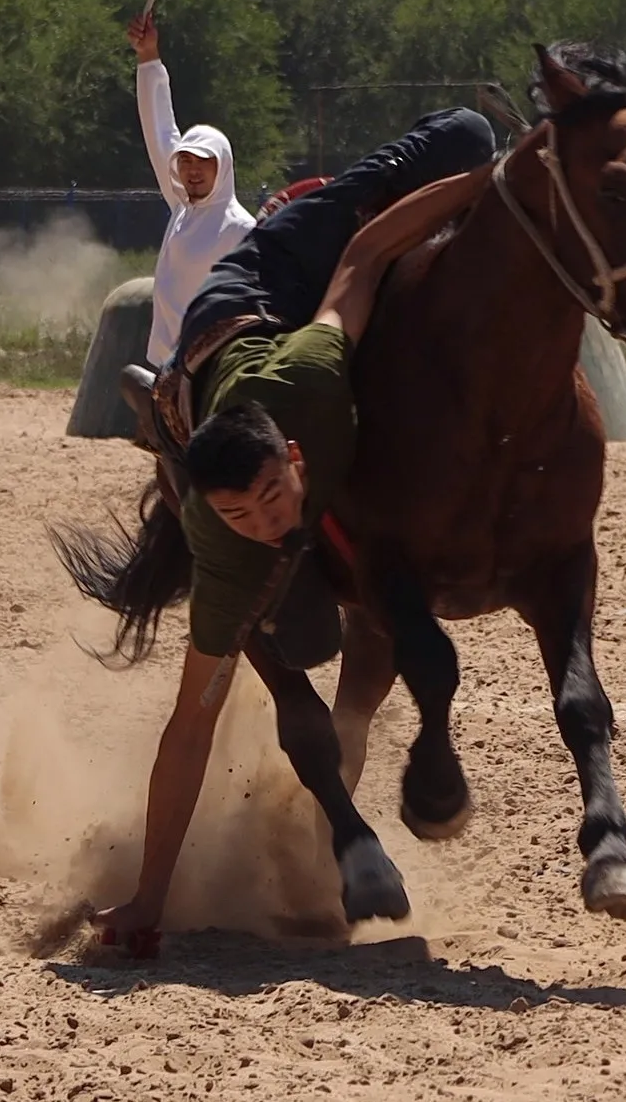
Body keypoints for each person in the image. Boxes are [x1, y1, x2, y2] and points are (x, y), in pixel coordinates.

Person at [93, 104, 500, 951]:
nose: (267, 523)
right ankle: (168, 407)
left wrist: (489, 184)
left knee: (466, 134)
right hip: (228, 342)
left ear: (297, 460)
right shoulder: (225, 550)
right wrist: (147, 899)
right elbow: (188, 727)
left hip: (271, 276)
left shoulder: (313, 378)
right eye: (242, 514)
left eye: (273, 501)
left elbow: (358, 253)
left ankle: (171, 391)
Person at [130, 13, 256, 370]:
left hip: (209, 369)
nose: (193, 169)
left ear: (224, 166)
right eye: (185, 161)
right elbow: (160, 128)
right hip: (164, 365)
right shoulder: (182, 209)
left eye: (204, 161)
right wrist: (148, 57)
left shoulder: (241, 229)